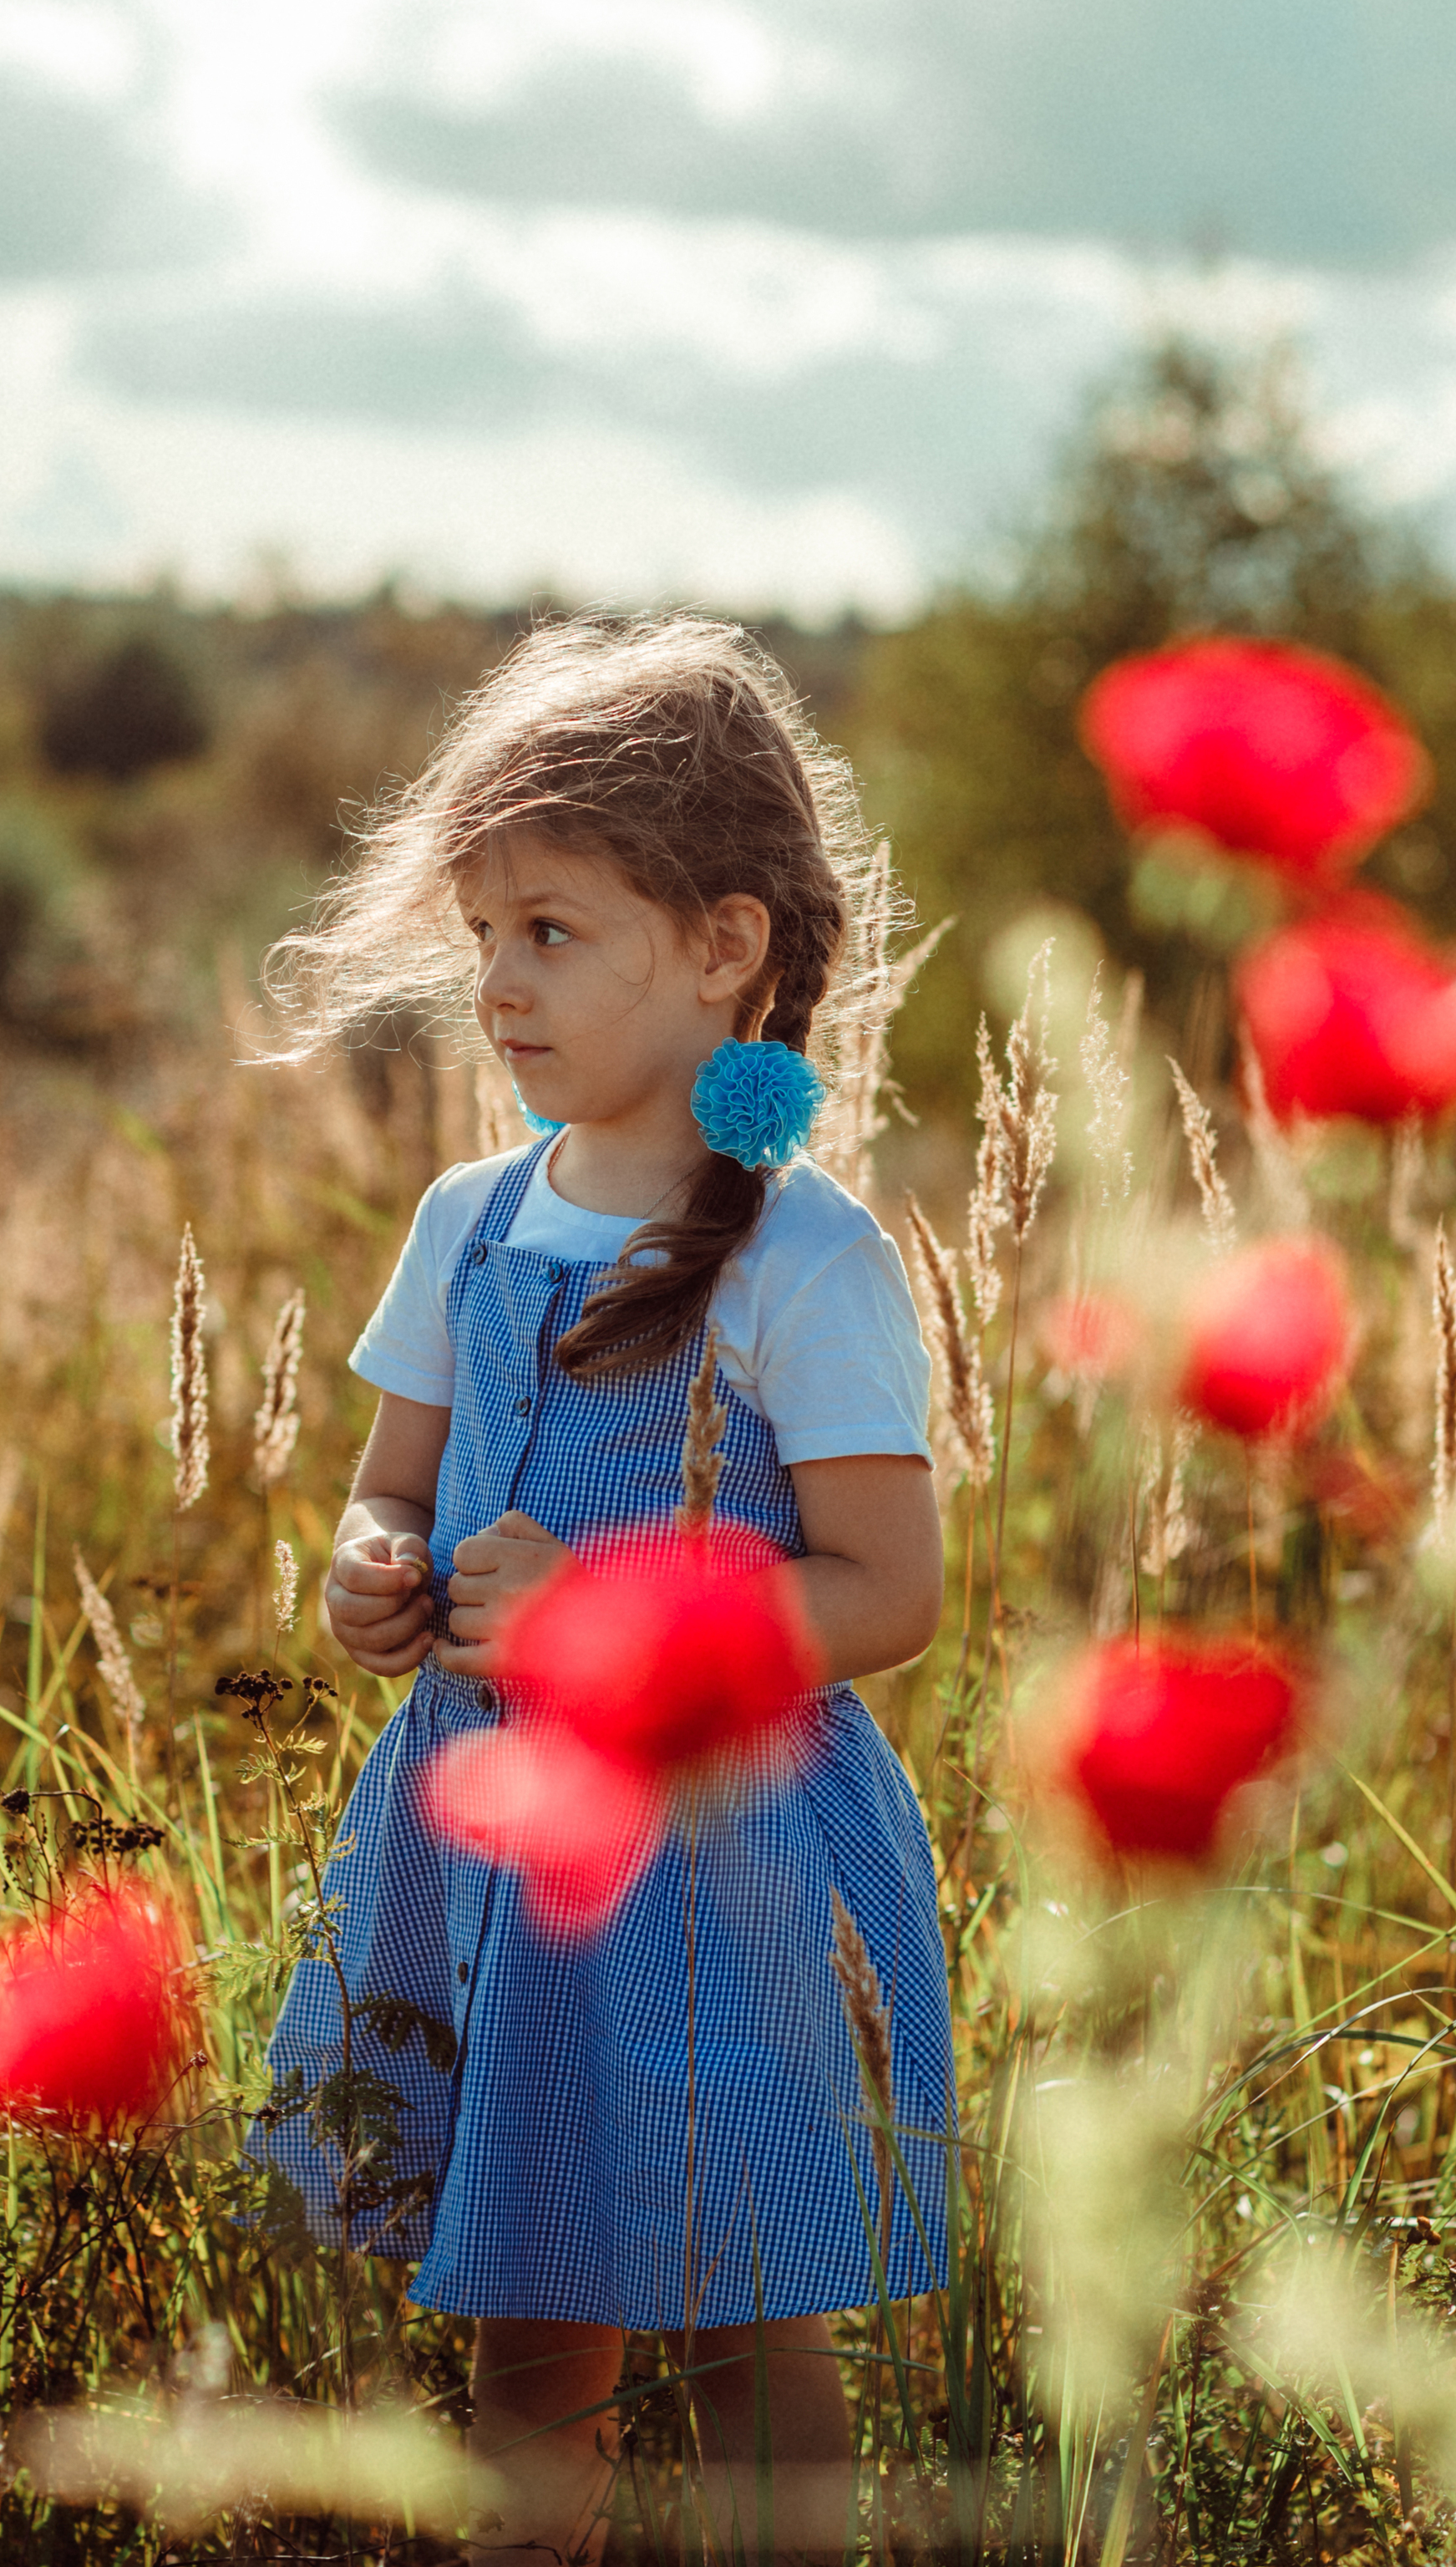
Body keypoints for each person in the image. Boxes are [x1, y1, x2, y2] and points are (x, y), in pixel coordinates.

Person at [251, 614, 951, 2564]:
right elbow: (384, 1497)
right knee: (531, 2311)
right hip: (495, 1839)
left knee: (743, 2317)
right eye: (479, 933)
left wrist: (621, 1620)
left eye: (547, 932)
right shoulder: (465, 1225)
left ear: (724, 944)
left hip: (718, 1846)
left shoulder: (798, 1259)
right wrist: (372, 1579)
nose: (492, 983)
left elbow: (888, 1589)